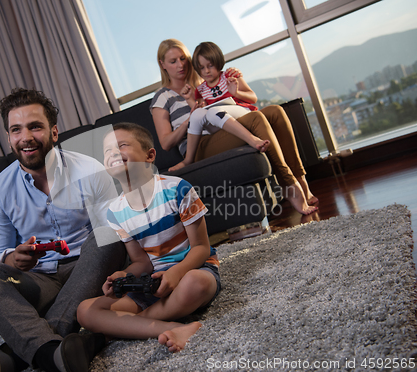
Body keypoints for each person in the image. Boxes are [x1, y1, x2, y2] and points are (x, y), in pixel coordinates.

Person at [0, 88, 127, 372]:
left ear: (53, 132)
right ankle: (55, 352)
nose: (25, 137)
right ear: (9, 138)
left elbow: (115, 232)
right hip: (39, 280)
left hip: (90, 269)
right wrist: (14, 259)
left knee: (108, 236)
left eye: (35, 127)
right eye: (16, 129)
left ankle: (22, 353)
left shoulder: (90, 169)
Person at [76, 122, 221, 353]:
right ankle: (172, 327)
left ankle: (125, 328)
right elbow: (141, 262)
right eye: (107, 151)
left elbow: (202, 248)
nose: (113, 153)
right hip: (150, 285)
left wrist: (175, 273)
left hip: (191, 272)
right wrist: (122, 276)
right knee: (86, 310)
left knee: (196, 283)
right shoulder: (114, 212)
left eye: (121, 146)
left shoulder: (178, 189)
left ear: (149, 155)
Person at [150, 39, 318, 215]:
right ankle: (290, 187)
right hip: (199, 145)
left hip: (224, 128)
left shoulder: (203, 82)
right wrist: (189, 120)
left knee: (275, 111)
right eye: (173, 61)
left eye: (183, 59)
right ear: (162, 64)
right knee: (256, 119)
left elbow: (228, 104)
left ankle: (301, 180)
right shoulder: (163, 97)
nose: (181, 65)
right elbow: (166, 143)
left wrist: (236, 79)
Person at [169, 41, 270, 172]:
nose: (206, 71)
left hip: (241, 112)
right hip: (220, 121)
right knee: (198, 114)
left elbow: (253, 98)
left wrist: (236, 93)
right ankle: (188, 160)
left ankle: (253, 140)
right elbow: (200, 112)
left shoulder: (229, 75)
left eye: (210, 66)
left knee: (212, 112)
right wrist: (189, 99)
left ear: (218, 62)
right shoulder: (200, 89)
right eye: (202, 68)